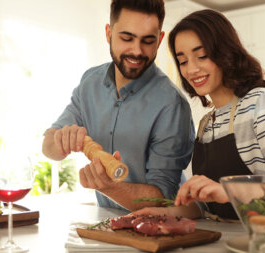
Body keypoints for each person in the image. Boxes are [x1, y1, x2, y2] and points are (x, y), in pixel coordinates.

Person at [132, 9, 265, 220]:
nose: (191, 69)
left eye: (202, 56)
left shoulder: (260, 103)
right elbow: (208, 208)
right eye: (183, 61)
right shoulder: (206, 124)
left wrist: (230, 191)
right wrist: (163, 213)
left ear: (225, 52)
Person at [42, 0, 195, 211]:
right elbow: (48, 145)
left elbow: (162, 198)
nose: (137, 51)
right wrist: (60, 142)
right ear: (108, 33)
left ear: (159, 40)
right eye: (126, 38)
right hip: (108, 222)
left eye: (148, 41)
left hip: (159, 227)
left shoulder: (172, 105)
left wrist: (110, 187)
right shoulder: (90, 83)